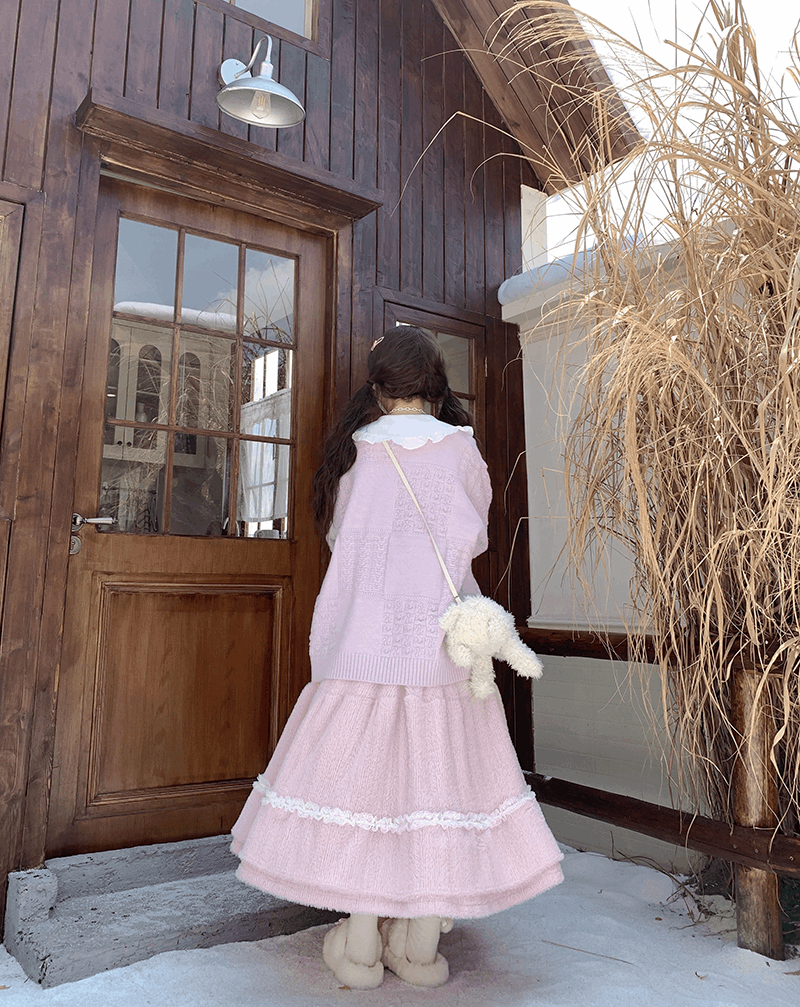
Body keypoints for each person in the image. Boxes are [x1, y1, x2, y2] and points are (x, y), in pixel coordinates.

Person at [231, 326, 564, 990]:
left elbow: (343, 547)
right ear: (434, 385)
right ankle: (416, 950)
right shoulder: (462, 450)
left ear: (379, 389)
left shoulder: (356, 455)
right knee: (439, 795)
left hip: (362, 651)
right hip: (441, 653)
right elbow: (473, 538)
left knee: (368, 800)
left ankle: (357, 948)